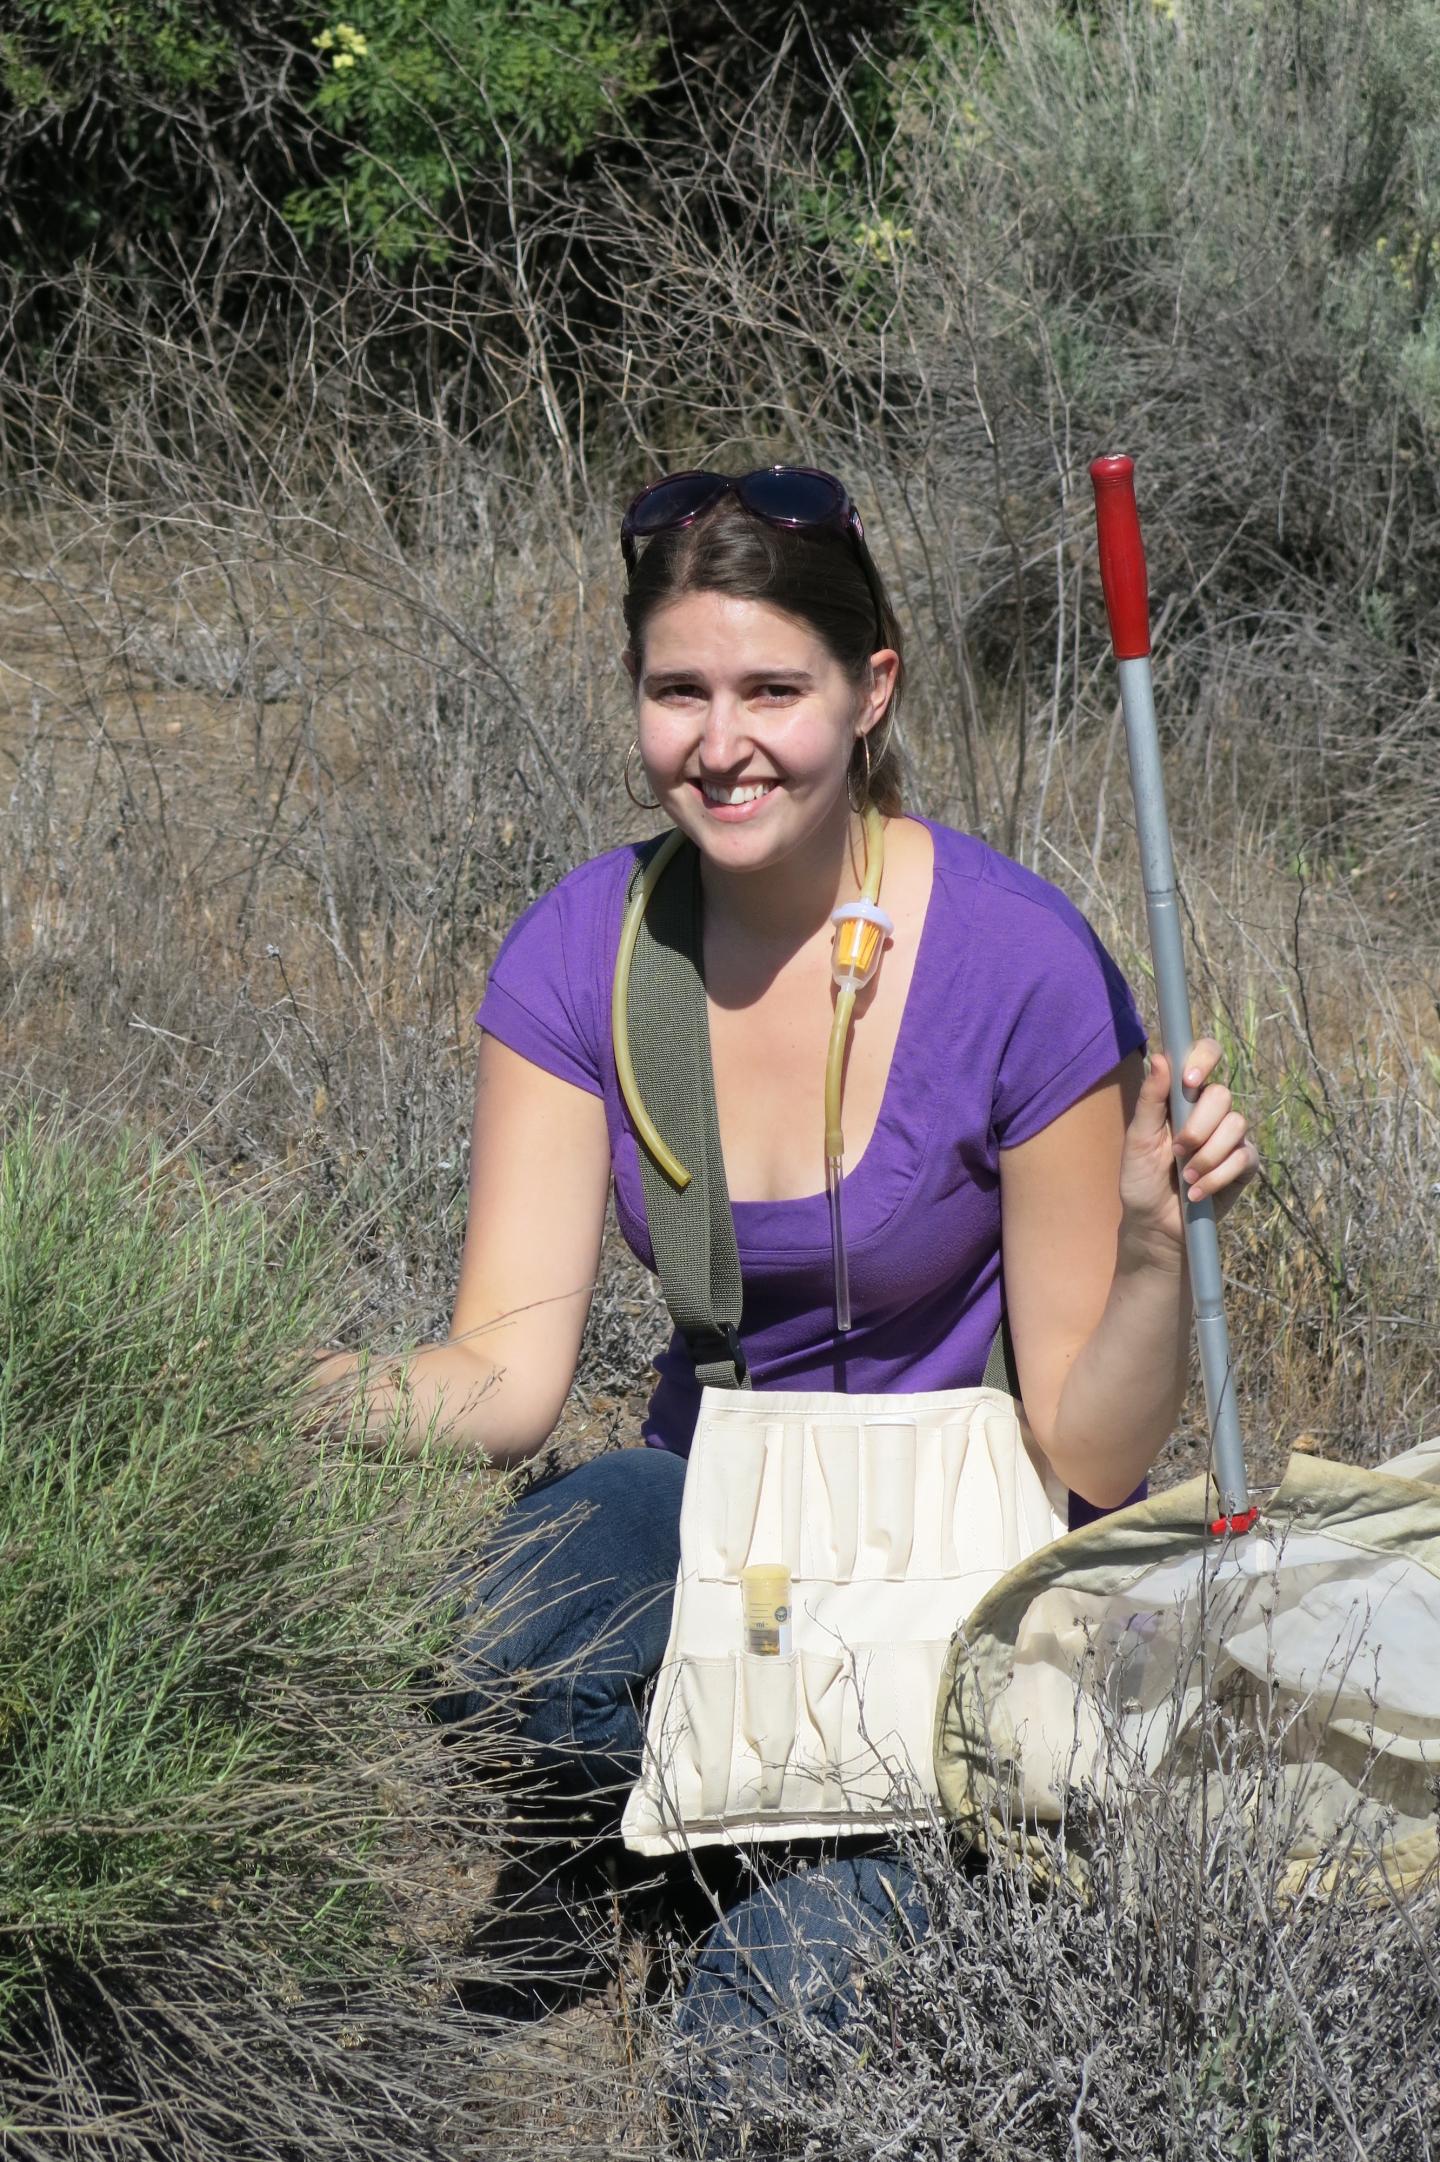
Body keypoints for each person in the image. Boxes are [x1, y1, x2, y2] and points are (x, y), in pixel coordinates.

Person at [307, 465, 1258, 2073]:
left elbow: (1086, 1448)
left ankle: (810, 1855)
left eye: (773, 689)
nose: (721, 740)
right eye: (678, 689)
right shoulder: (586, 952)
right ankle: (668, 1808)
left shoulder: (1019, 963)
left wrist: (1163, 1245)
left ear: (870, 688)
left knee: (747, 2046)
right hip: (728, 1518)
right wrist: (234, 1383)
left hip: (955, 1567)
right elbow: (505, 1380)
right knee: (506, 1624)